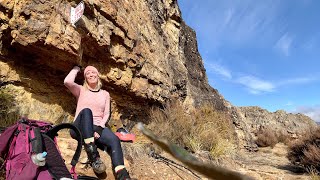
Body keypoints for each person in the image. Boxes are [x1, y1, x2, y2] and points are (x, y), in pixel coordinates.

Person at [64, 65, 131, 180]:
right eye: (88, 74)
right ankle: (94, 157)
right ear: (85, 78)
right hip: (79, 127)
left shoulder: (105, 94)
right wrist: (76, 68)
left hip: (96, 127)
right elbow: (67, 81)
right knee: (86, 111)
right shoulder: (81, 90)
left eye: (93, 72)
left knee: (114, 139)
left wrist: (100, 128)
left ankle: (122, 174)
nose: (91, 74)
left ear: (97, 75)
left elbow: (106, 114)